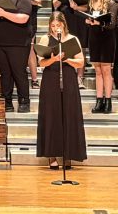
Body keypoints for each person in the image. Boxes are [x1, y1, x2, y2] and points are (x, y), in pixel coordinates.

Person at [35, 12, 87, 169]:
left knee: (69, 115)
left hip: (69, 78)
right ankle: (51, 156)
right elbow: (41, 63)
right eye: (53, 26)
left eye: (58, 25)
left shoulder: (72, 39)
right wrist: (53, 59)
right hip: (51, 78)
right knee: (52, 116)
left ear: (64, 24)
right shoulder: (45, 39)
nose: (55, 28)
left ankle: (68, 154)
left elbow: (81, 63)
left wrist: (66, 58)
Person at [0, 0, 34, 112]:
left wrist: (3, 14)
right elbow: (1, 21)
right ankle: (7, 101)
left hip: (18, 42)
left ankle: (24, 101)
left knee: (18, 72)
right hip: (2, 42)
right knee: (5, 73)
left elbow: (23, 18)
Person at [85, 0, 118, 113]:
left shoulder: (111, 4)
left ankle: (108, 100)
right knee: (97, 71)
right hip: (94, 38)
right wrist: (88, 21)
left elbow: (112, 24)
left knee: (106, 70)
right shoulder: (91, 3)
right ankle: (99, 100)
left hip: (107, 39)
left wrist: (99, 23)